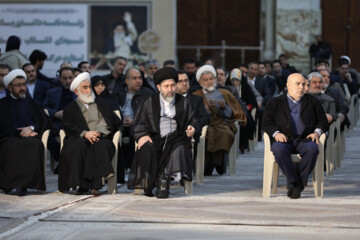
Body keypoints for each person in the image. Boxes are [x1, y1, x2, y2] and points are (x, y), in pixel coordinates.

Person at [127, 67, 197, 198]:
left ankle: (165, 178)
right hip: (154, 137)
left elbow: (193, 120)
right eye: (166, 86)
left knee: (180, 149)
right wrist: (142, 135)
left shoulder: (184, 102)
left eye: (172, 85)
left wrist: (192, 127)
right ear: (159, 87)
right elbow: (138, 123)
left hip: (177, 138)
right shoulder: (148, 102)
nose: (170, 89)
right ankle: (155, 182)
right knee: (146, 148)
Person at [262, 73, 328, 199]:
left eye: (303, 84)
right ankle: (296, 182)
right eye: (297, 84)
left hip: (305, 139)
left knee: (313, 150)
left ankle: (297, 184)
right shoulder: (275, 102)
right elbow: (266, 122)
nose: (301, 87)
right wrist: (276, 133)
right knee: (278, 149)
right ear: (288, 85)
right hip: (284, 140)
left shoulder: (313, 101)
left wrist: (317, 132)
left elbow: (323, 121)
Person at [58, 72, 123, 196]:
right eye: (85, 88)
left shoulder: (101, 102)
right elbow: (69, 127)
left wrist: (98, 133)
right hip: (81, 138)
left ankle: (95, 185)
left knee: (100, 146)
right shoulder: (70, 108)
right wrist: (85, 133)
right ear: (77, 92)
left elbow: (112, 121)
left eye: (89, 87)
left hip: (102, 137)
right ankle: (84, 185)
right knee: (80, 146)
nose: (89, 90)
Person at [0, 69, 50, 196]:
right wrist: (21, 132)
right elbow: (3, 125)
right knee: (10, 146)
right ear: (10, 87)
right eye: (18, 85)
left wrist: (32, 128)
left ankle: (27, 184)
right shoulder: (3, 105)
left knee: (35, 145)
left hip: (30, 137)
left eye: (24, 84)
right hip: (10, 137)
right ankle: (14, 183)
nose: (22, 88)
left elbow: (41, 120)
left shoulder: (31, 102)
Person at [193, 65, 246, 175]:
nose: (209, 82)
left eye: (211, 79)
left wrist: (224, 107)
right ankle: (208, 163)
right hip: (204, 125)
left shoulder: (225, 93)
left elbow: (235, 113)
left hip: (221, 123)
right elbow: (192, 114)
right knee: (204, 134)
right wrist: (206, 107)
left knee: (225, 133)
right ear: (200, 82)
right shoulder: (196, 95)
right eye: (206, 80)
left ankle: (219, 162)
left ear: (215, 79)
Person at [112, 68, 152, 170]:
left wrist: (133, 122)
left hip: (138, 126)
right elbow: (111, 111)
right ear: (127, 81)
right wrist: (120, 121)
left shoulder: (147, 94)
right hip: (119, 125)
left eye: (140, 78)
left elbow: (150, 116)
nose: (138, 81)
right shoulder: (118, 93)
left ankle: (131, 168)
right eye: (135, 78)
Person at [176, 70, 210, 161]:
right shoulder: (170, 100)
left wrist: (195, 126)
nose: (184, 83)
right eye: (180, 81)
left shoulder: (196, 99)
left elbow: (205, 117)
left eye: (186, 81)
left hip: (191, 134)